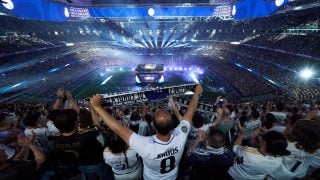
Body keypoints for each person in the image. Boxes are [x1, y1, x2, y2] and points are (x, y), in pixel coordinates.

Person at [90, 84, 203, 180]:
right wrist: (196, 94)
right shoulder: (181, 136)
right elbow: (189, 114)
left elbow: (118, 129)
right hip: (172, 177)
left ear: (153, 126)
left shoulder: (144, 145)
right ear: (173, 125)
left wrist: (97, 107)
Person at [52, 109, 112, 180]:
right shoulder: (86, 134)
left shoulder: (56, 138)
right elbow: (97, 125)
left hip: (80, 166)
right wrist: (93, 110)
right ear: (76, 123)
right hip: (96, 163)